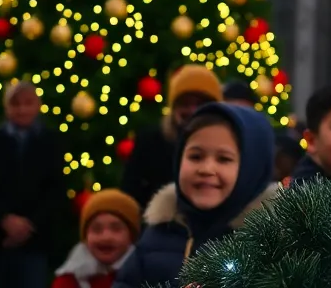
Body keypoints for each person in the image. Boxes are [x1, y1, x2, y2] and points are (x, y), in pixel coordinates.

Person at [113, 103, 279, 288]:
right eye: (196, 156)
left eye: (224, 159)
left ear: (252, 170)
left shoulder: (272, 245)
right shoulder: (158, 235)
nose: (206, 169)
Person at [0, 82, 66, 288]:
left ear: (38, 106)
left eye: (28, 103)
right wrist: (5, 220)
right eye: (16, 104)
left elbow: (55, 190)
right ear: (7, 107)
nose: (22, 109)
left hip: (34, 244)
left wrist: (28, 226)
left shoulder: (51, 141)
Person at [120, 65, 222, 208]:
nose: (192, 110)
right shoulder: (150, 141)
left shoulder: (227, 144)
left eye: (200, 104)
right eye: (184, 103)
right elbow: (131, 195)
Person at [52, 189, 139, 288]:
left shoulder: (145, 274)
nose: (106, 237)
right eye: (97, 229)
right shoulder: (70, 279)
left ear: (131, 236)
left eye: (116, 229)